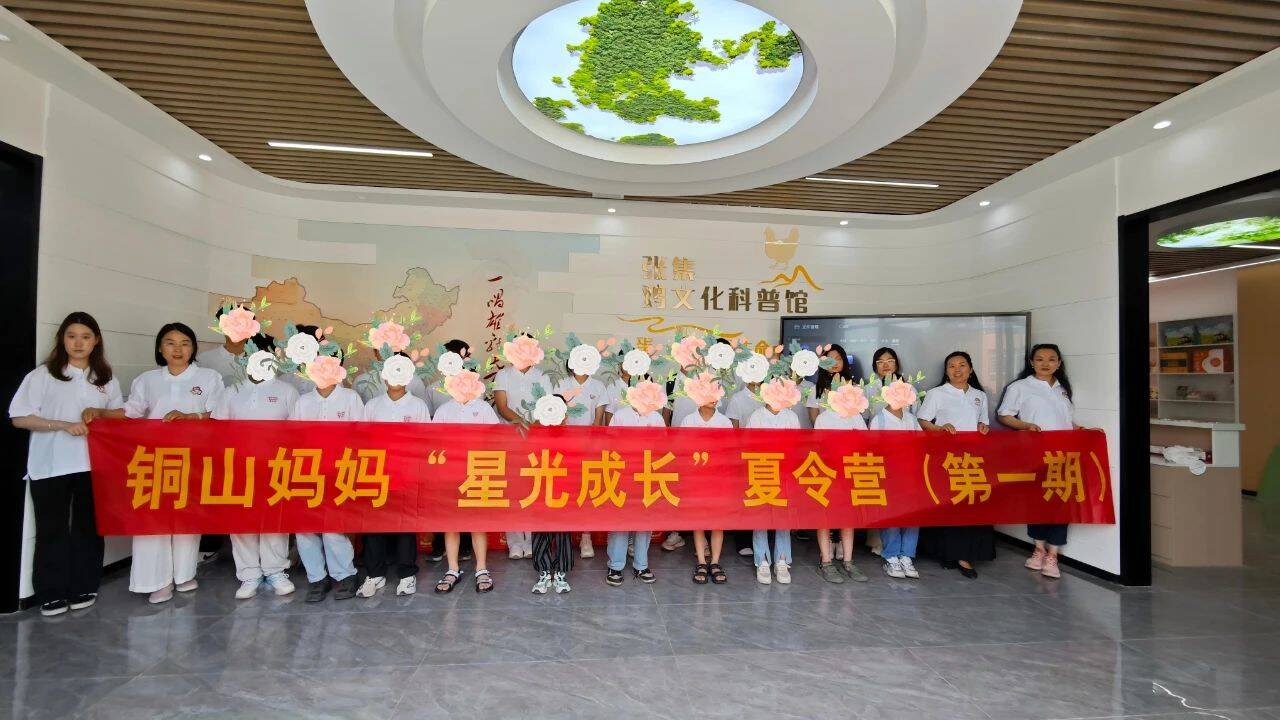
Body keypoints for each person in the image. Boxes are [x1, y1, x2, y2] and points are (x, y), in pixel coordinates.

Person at [96, 322, 222, 604]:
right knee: (153, 519)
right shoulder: (147, 380)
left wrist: (190, 417)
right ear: (160, 348)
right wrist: (100, 413)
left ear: (193, 348)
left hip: (194, 457)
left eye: (185, 343)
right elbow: (132, 412)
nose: (178, 349)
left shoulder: (209, 377)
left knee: (187, 517)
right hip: (154, 459)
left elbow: (218, 414)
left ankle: (184, 575)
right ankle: (156, 581)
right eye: (170, 343)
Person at [9, 312, 123, 616]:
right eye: (72, 336)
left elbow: (120, 415)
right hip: (51, 465)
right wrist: (61, 425)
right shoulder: (43, 375)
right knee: (51, 529)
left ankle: (85, 584)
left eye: (85, 337)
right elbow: (19, 417)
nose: (78, 343)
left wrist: (100, 414)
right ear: (62, 339)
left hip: (94, 466)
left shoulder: (105, 378)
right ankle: (51, 592)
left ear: (96, 341)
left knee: (89, 527)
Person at [211, 347, 299, 599]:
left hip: (276, 465)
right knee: (241, 520)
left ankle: (275, 571)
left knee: (274, 519)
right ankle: (248, 574)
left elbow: (298, 431)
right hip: (239, 466)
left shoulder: (287, 391)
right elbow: (218, 430)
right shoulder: (232, 391)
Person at [998, 343, 1084, 580]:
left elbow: (1063, 419)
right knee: (1037, 501)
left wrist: (1079, 430)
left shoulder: (1062, 389)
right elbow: (1004, 415)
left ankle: (1053, 555)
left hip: (1063, 456)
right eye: (1040, 359)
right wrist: (1026, 426)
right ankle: (1038, 549)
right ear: (1031, 362)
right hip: (1034, 454)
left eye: (1051, 359)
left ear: (1059, 363)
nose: (1046, 364)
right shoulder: (1020, 387)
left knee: (1061, 502)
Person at [288, 347, 362, 602]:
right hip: (307, 471)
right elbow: (292, 438)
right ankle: (316, 579)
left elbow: (362, 435)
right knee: (305, 527)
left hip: (339, 470)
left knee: (333, 527)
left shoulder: (350, 398)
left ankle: (346, 575)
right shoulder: (303, 401)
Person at [917, 351, 995, 579]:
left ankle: (964, 553)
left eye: (962, 365)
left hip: (972, 460)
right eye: (952, 366)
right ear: (946, 371)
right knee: (948, 505)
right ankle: (950, 553)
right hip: (945, 458)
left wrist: (983, 428)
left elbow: (983, 423)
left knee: (969, 505)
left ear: (971, 369)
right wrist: (940, 429)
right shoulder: (936, 394)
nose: (957, 370)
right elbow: (922, 421)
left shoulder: (979, 395)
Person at [357, 356, 429, 598]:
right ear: (384, 377)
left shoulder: (418, 405)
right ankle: (375, 574)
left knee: (405, 526)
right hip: (377, 473)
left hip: (406, 474)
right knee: (374, 525)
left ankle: (407, 575)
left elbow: (425, 441)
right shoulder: (372, 406)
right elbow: (363, 440)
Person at [432, 367, 499, 594]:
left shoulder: (483, 408)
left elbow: (496, 439)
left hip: (478, 472)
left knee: (477, 522)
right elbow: (433, 443)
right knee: (451, 524)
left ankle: (481, 568)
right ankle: (452, 569)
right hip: (450, 473)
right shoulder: (443, 410)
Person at [492, 333, 552, 560]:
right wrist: (522, 423)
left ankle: (531, 541)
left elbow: (548, 406)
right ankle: (515, 543)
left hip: (537, 439)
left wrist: (534, 426)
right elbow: (502, 406)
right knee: (513, 490)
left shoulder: (542, 376)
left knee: (533, 488)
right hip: (511, 438)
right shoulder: (503, 375)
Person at [604, 378, 667, 587]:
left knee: (644, 522)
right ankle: (615, 565)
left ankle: (642, 565)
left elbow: (663, 448)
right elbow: (610, 445)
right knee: (620, 522)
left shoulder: (657, 418)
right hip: (623, 475)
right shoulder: (620, 415)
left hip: (647, 476)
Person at [811, 379, 870, 584]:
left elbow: (864, 443)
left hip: (850, 472)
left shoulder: (856, 416)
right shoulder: (823, 418)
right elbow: (818, 447)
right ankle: (826, 561)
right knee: (825, 519)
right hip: (828, 473)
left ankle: (848, 560)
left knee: (848, 518)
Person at [745, 379, 802, 585]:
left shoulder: (791, 416)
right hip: (761, 472)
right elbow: (748, 446)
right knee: (761, 517)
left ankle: (782, 560)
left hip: (785, 474)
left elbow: (797, 447)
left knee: (783, 518)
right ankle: (761, 560)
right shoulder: (756, 416)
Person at [679, 373, 732, 585]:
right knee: (699, 521)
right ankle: (701, 561)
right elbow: (683, 450)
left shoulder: (724, 421)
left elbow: (728, 452)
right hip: (696, 480)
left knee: (718, 522)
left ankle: (715, 561)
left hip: (718, 479)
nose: (714, 398)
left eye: (716, 394)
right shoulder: (688, 420)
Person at [553, 359, 608, 559]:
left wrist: (591, 445)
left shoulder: (598, 386)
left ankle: (586, 537)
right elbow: (555, 415)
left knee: (586, 490)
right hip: (564, 446)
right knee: (565, 490)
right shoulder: (561, 384)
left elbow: (598, 420)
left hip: (589, 447)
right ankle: (564, 536)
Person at [870, 375, 922, 580]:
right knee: (892, 515)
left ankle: (907, 555)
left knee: (912, 515)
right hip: (889, 475)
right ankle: (891, 555)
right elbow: (872, 449)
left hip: (911, 474)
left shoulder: (911, 419)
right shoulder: (879, 420)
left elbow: (921, 444)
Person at [427, 339, 472, 562]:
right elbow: (428, 420)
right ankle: (439, 545)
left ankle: (465, 546)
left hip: (468, 454)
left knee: (467, 499)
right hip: (442, 454)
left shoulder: (473, 386)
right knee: (442, 501)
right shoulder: (433, 388)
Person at [529, 394, 577, 594]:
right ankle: (543, 572)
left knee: (563, 531)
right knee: (540, 530)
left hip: (563, 491)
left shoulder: (572, 436)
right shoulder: (534, 433)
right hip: (540, 489)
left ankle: (560, 572)